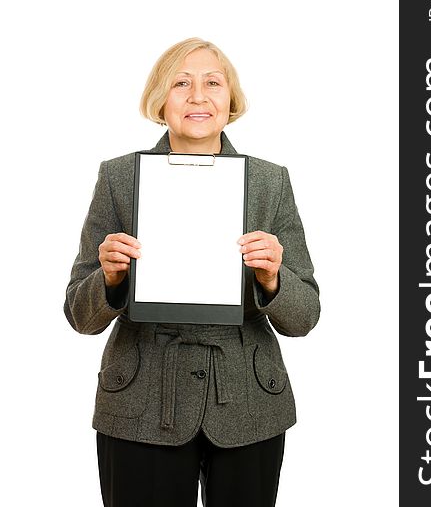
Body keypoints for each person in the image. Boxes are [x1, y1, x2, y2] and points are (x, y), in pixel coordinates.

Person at [64, 37, 320, 507]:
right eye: (181, 83)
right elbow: (79, 315)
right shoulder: (119, 179)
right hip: (141, 400)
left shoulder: (269, 181)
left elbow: (304, 317)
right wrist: (111, 279)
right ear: (160, 100)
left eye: (212, 83)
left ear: (231, 101)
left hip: (248, 402)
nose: (198, 96)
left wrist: (273, 279)